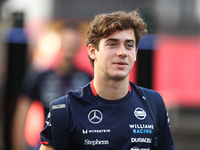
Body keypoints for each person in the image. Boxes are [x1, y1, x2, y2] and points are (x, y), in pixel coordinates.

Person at [39, 10, 175, 150]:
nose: (122, 52)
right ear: (92, 51)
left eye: (129, 45)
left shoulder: (154, 104)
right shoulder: (64, 110)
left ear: (135, 53)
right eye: (112, 44)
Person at [12, 21, 92, 150]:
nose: (70, 45)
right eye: (67, 41)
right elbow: (22, 110)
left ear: (79, 45)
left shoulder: (87, 79)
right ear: (60, 42)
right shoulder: (42, 78)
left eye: (73, 42)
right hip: (48, 144)